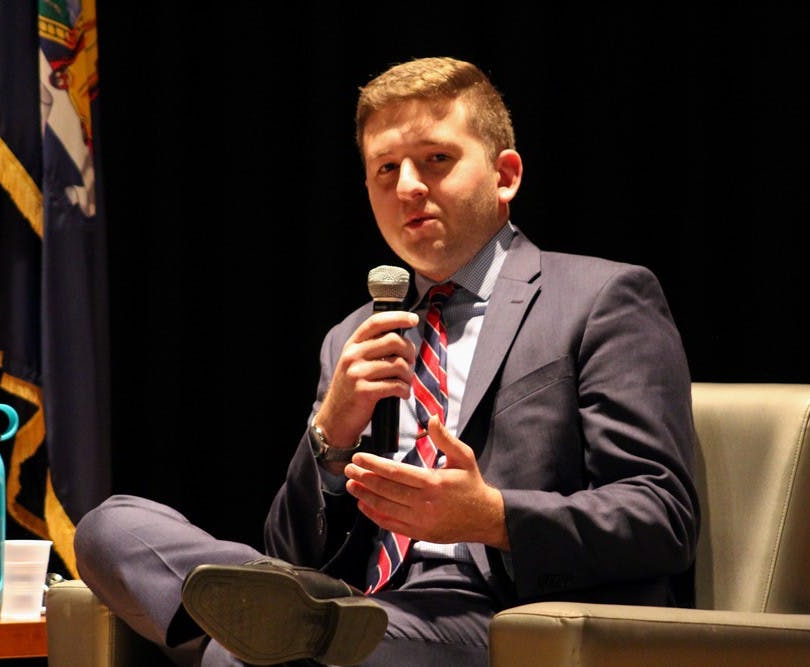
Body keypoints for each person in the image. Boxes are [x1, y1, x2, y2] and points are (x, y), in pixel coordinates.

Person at [74, 55, 699, 667]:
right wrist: (329, 432)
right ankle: (300, 630)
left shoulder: (601, 298)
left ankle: (284, 637)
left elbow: (662, 514)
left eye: (436, 159)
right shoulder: (354, 335)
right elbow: (287, 552)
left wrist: (493, 517)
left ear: (505, 176)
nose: (407, 187)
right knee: (110, 527)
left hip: (502, 611)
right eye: (385, 169)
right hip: (359, 600)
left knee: (250, 651)